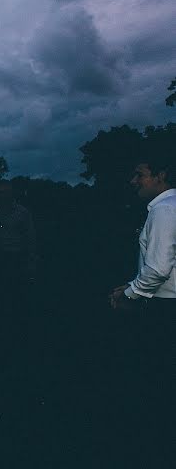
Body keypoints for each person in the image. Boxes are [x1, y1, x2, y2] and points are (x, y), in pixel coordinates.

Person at [108, 153, 176, 449]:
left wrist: (129, 293)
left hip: (166, 310)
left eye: (140, 174)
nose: (134, 181)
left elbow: (159, 269)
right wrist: (134, 284)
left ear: (161, 175)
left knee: (157, 377)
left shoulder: (163, 210)